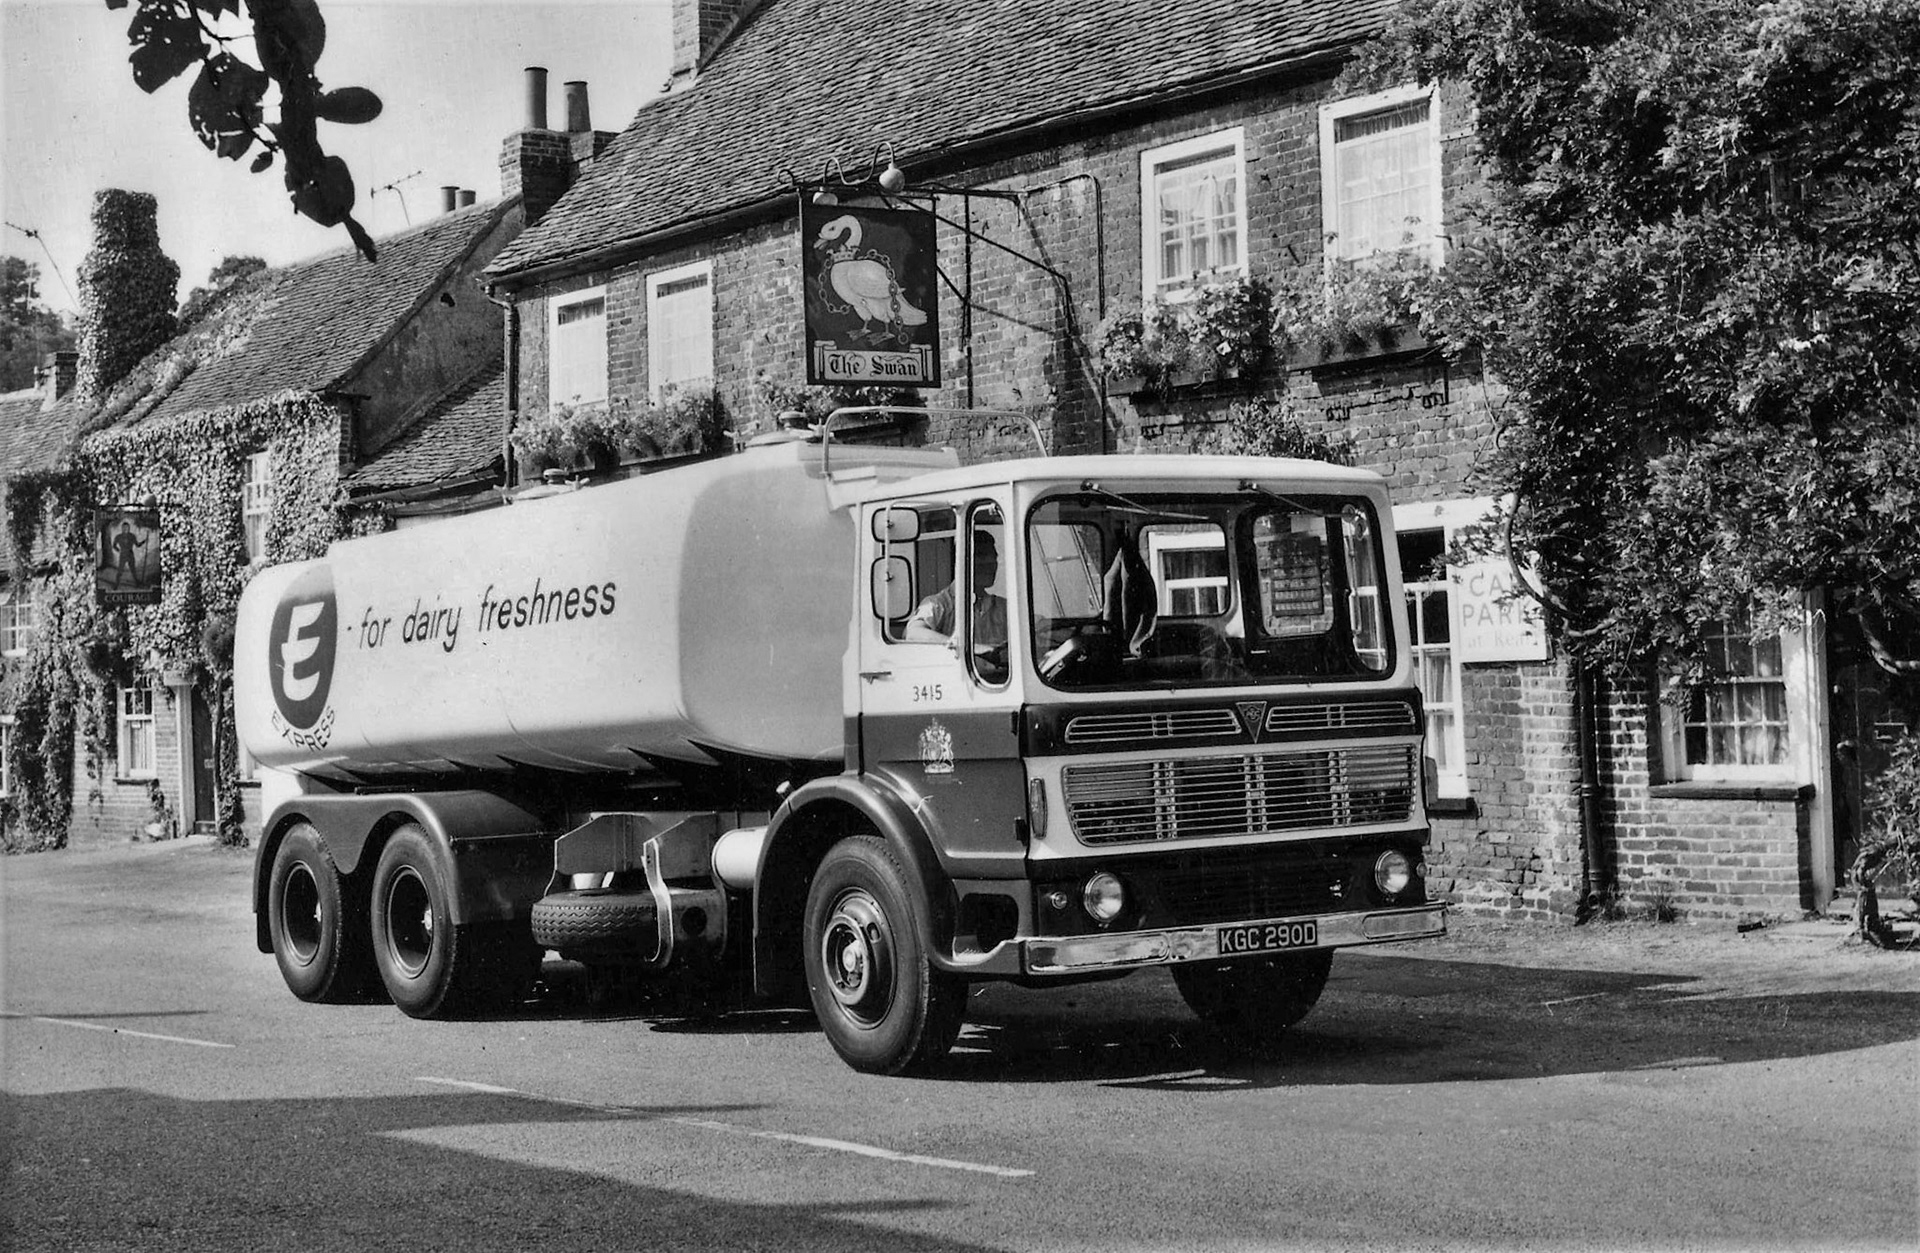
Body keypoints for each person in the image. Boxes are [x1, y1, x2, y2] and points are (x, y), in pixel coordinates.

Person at [904, 530, 1008, 678]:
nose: (991, 564)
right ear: (962, 561)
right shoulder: (939, 604)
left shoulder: (1003, 608)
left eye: (994, 557)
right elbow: (913, 634)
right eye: (982, 556)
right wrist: (968, 647)